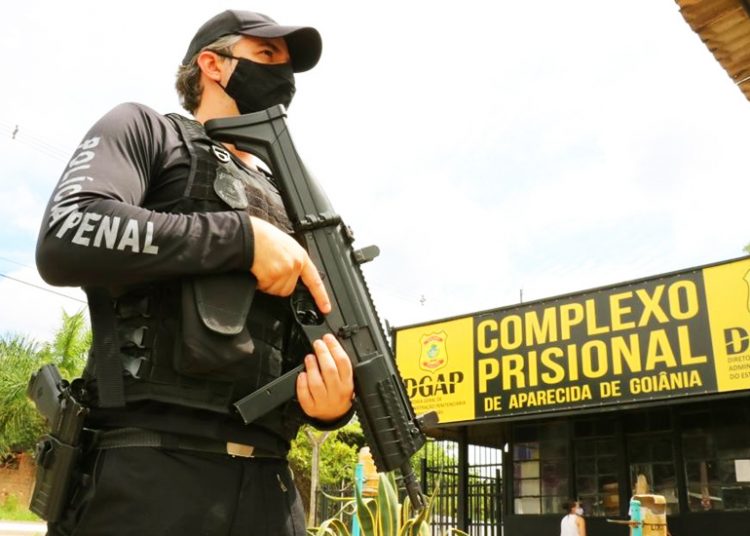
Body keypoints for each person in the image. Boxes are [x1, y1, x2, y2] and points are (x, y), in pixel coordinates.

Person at [35, 9, 354, 536]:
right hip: (149, 477)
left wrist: (331, 404)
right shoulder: (147, 131)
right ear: (213, 63)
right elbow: (68, 230)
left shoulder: (296, 202)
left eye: (288, 67)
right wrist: (240, 239)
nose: (284, 78)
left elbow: (315, 336)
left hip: (271, 491)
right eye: (268, 57)